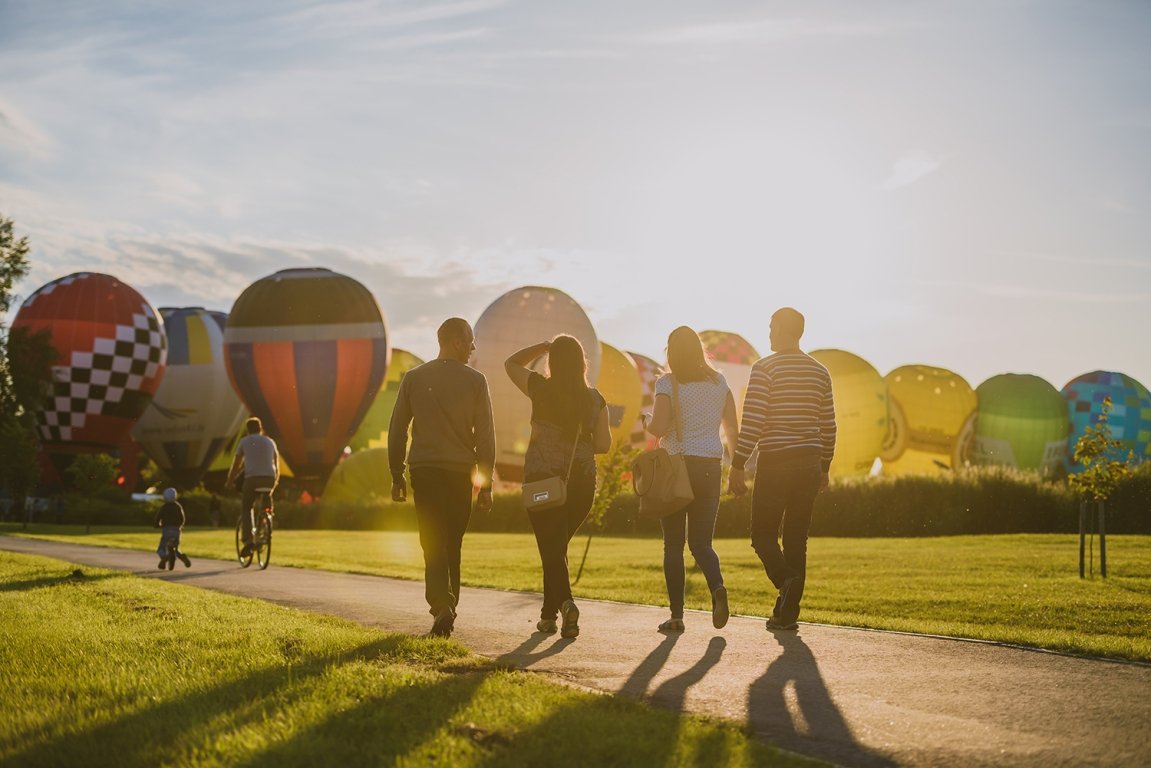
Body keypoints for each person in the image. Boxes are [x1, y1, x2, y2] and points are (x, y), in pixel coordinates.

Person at [728, 307, 836, 631]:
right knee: (795, 539)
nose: (769, 333)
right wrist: (824, 466)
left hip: (776, 461)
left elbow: (753, 421)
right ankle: (786, 614)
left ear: (784, 330)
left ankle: (785, 580)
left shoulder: (765, 368)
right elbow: (828, 425)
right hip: (808, 462)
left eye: (772, 327)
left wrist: (737, 465)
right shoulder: (820, 372)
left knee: (762, 535)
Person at [389, 318, 496, 638]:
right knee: (452, 541)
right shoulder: (476, 381)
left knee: (432, 540)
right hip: (459, 473)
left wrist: (397, 474)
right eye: (471, 341)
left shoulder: (414, 378)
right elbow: (486, 437)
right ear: (456, 342)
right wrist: (485, 485)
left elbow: (397, 430)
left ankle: (442, 605)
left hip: (425, 470)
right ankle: (448, 605)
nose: (473, 348)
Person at [505, 335, 611, 639]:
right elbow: (603, 444)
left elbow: (510, 364)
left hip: (542, 481)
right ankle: (548, 617)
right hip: (582, 485)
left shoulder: (539, 388)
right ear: (582, 363)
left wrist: (541, 346)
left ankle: (566, 604)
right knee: (555, 547)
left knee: (551, 547)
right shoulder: (596, 399)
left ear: (552, 361)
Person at [644, 326, 740, 632]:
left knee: (673, 545)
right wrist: (737, 468)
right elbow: (733, 430)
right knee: (701, 543)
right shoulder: (719, 382)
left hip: (677, 468)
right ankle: (718, 588)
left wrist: (646, 421)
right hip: (711, 466)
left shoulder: (667, 383)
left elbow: (659, 428)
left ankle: (676, 617)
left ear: (671, 352)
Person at [225, 416, 280, 559]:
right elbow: (276, 463)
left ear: (247, 430)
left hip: (252, 479)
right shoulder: (270, 441)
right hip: (270, 478)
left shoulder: (244, 442)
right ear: (261, 428)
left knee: (247, 507)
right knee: (267, 498)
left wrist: (230, 482)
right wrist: (275, 481)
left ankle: (248, 541)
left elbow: (236, 465)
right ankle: (265, 525)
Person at [154, 487, 191, 570]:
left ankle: (164, 557)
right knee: (176, 548)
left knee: (161, 547)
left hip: (167, 529)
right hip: (176, 530)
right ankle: (182, 557)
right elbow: (182, 518)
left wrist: (157, 525)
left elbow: (158, 517)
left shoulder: (164, 507)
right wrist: (180, 525)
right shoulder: (178, 506)